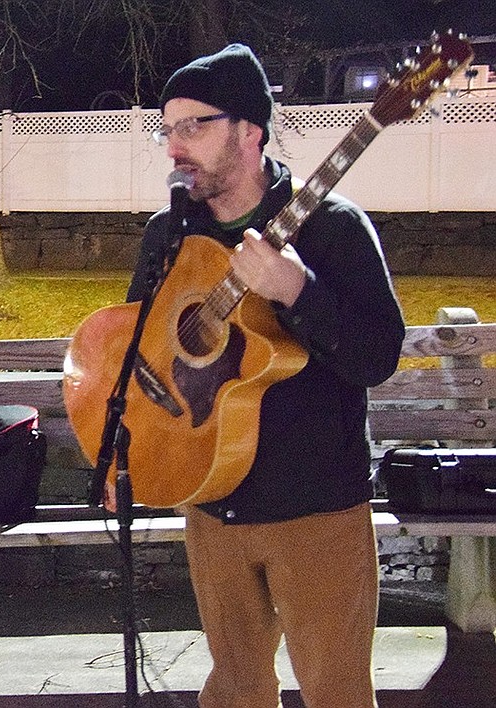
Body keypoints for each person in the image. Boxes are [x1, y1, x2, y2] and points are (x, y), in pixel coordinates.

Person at [127, 44, 406, 707]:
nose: (174, 146)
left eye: (194, 125)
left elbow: (378, 356)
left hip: (316, 510)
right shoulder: (169, 237)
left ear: (249, 130)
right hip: (213, 505)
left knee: (335, 691)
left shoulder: (333, 229)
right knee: (234, 690)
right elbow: (138, 355)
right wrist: (134, 453)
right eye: (167, 129)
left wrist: (298, 291)